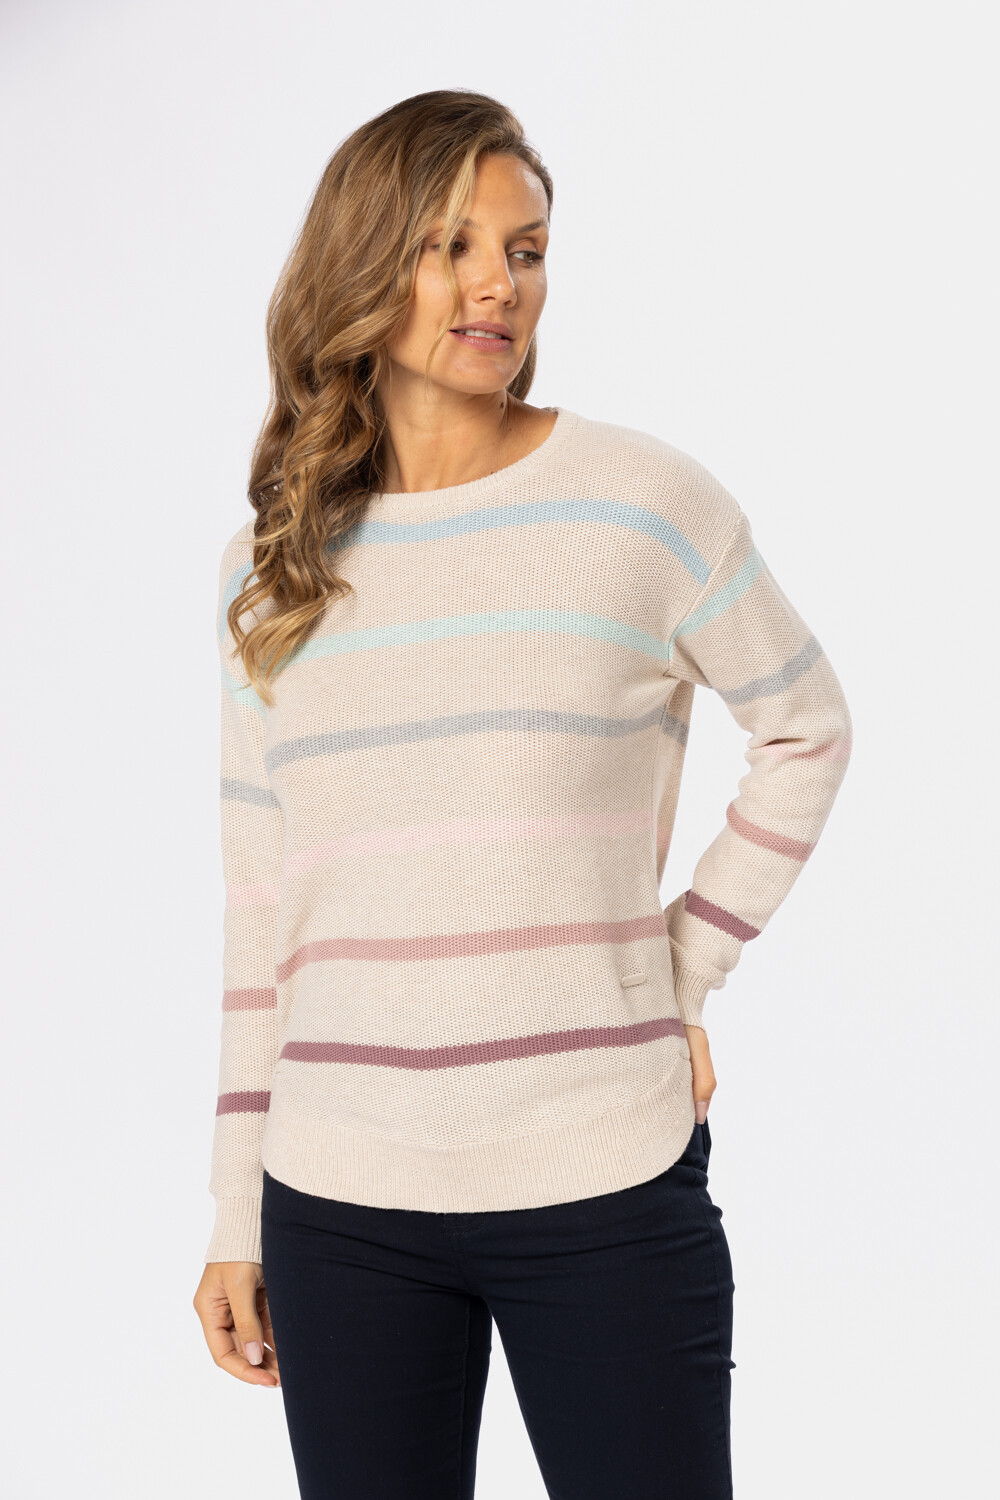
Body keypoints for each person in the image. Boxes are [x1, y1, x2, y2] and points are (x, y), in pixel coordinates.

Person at [192, 89, 852, 1499]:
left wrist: (681, 967)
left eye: (528, 249)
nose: (500, 283)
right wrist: (235, 1208)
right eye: (453, 245)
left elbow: (807, 726)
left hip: (601, 1174)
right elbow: (263, 916)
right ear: (364, 266)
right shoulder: (276, 571)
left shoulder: (643, 505)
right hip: (338, 1204)